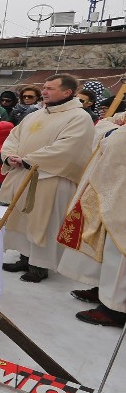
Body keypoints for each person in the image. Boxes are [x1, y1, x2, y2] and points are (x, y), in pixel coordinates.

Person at [0, 74, 94, 283]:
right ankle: (25, 257)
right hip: (24, 174)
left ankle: (40, 266)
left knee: (45, 223)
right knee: (23, 219)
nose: (44, 91)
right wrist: (10, 156)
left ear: (67, 92)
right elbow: (13, 136)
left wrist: (29, 160)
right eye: (44, 87)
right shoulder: (36, 114)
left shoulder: (79, 117)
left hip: (52, 179)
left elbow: (69, 149)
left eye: (50, 88)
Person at [57, 123, 126, 326]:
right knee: (104, 243)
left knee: (119, 251)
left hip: (120, 192)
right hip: (110, 187)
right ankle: (103, 291)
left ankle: (115, 308)